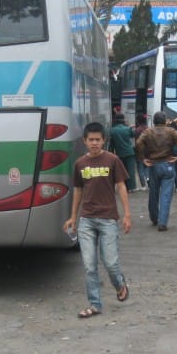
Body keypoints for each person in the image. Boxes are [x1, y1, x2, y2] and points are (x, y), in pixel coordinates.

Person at [63, 121, 132, 318]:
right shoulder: (80, 164)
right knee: (89, 265)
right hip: (86, 220)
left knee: (110, 262)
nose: (94, 143)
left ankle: (119, 284)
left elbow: (121, 187)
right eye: (91, 140)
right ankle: (95, 304)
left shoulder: (113, 160)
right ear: (85, 141)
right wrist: (73, 217)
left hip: (109, 219)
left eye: (98, 140)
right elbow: (77, 190)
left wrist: (127, 215)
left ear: (104, 141)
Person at [135, 111, 177, 231]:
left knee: (153, 193)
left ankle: (154, 218)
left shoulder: (148, 132)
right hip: (167, 164)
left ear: (153, 121)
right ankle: (162, 223)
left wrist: (143, 158)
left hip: (153, 165)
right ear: (164, 121)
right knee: (166, 195)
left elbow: (138, 143)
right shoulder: (171, 131)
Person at [109, 114, 138, 192]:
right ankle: (131, 188)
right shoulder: (127, 129)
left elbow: (112, 144)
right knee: (130, 171)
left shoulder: (112, 130)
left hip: (119, 153)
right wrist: (129, 127)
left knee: (122, 171)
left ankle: (124, 187)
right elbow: (133, 135)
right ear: (123, 120)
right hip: (130, 152)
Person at [133, 113, 149, 190]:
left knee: (140, 169)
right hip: (148, 152)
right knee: (147, 168)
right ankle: (149, 184)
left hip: (140, 152)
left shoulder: (137, 130)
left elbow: (137, 142)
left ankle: (143, 186)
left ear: (138, 121)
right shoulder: (148, 129)